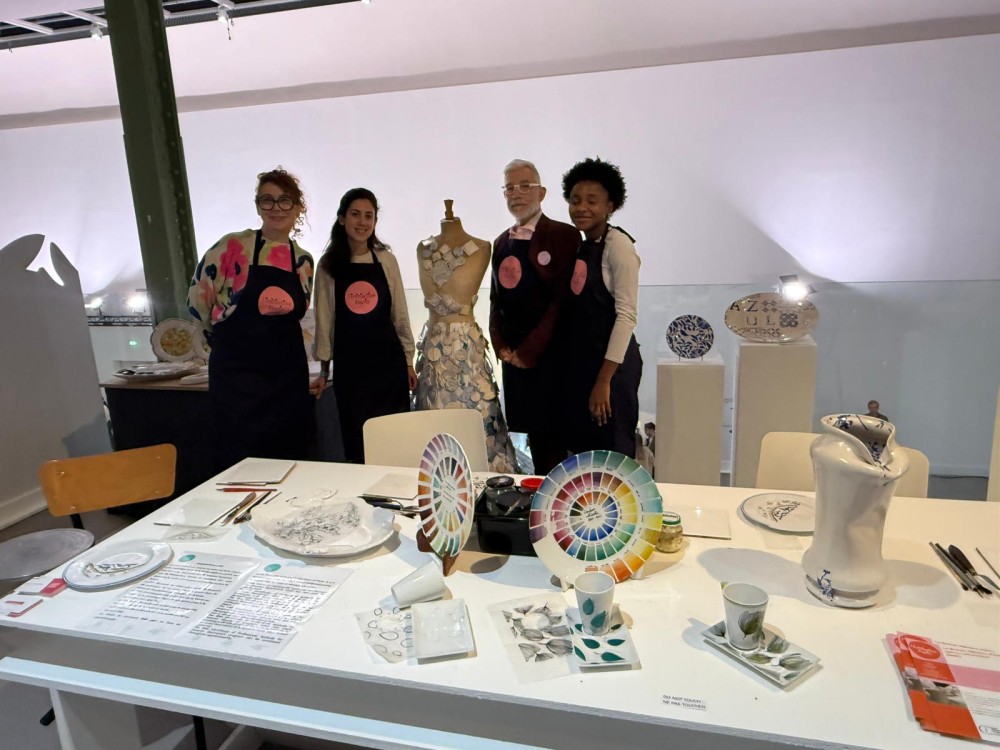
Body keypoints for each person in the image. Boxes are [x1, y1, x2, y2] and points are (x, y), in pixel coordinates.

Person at [187, 167, 315, 473]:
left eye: (284, 200)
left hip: (287, 377)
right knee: (238, 459)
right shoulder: (233, 247)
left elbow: (299, 311)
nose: (276, 208)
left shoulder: (304, 261)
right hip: (237, 377)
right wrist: (221, 346)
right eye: (267, 200)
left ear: (298, 207)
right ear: (258, 206)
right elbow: (197, 301)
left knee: (288, 457)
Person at [489, 159, 580, 475]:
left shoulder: (563, 235)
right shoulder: (501, 242)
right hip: (514, 359)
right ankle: (541, 496)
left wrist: (529, 351)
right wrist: (500, 345)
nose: (516, 193)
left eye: (525, 186)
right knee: (534, 439)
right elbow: (495, 299)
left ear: (541, 192)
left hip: (551, 358)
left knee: (556, 440)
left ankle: (559, 500)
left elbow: (561, 302)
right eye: (509, 188)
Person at [413, 200, 518, 472]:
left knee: (477, 415)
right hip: (433, 351)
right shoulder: (423, 248)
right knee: (433, 423)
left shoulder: (482, 247)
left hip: (466, 349)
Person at [312, 188, 415, 463]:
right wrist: (324, 369)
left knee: (395, 440)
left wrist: (408, 361)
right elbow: (325, 319)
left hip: (389, 366)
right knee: (358, 442)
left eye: (369, 216)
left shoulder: (386, 260)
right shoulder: (328, 265)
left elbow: (400, 314)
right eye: (355, 214)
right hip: (351, 370)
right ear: (342, 218)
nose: (362, 222)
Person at [560, 157, 642, 457]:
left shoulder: (618, 245)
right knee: (583, 451)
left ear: (610, 206)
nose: (581, 207)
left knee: (613, 451)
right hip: (583, 363)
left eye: (592, 201)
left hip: (612, 368)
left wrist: (604, 380)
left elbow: (626, 316)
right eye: (575, 200)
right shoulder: (579, 245)